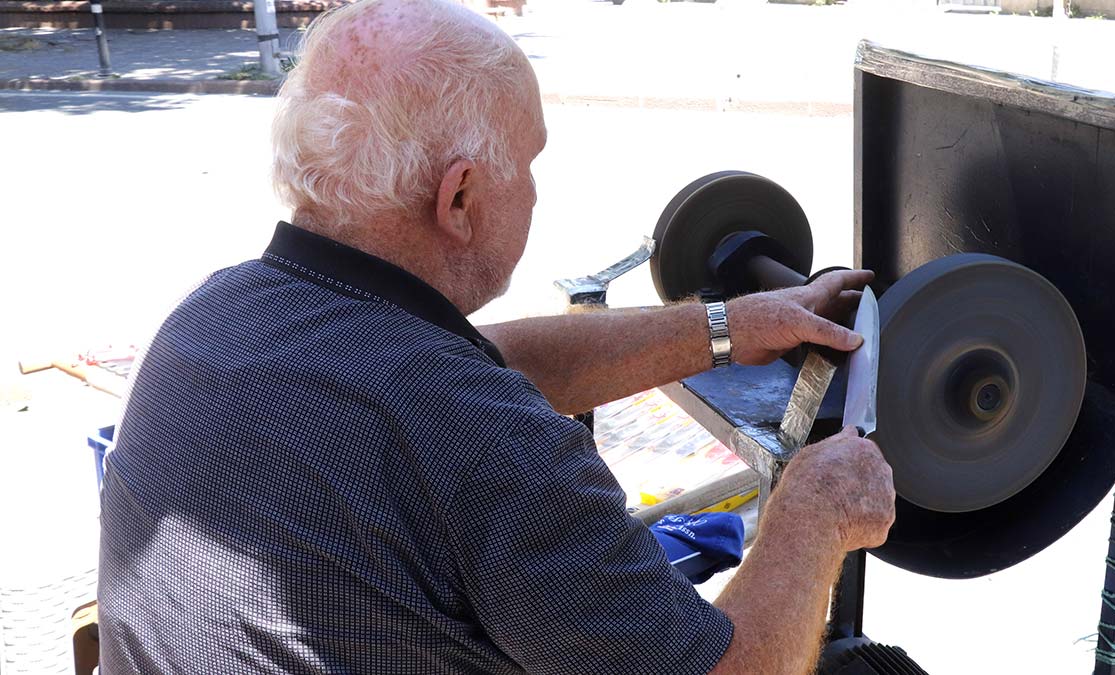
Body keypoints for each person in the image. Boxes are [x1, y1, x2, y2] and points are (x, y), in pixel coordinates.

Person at [96, 0, 895, 673]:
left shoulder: (217, 313)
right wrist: (813, 513)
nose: (538, 189)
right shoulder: (486, 444)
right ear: (460, 198)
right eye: (530, 160)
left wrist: (728, 325)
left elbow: (485, 362)